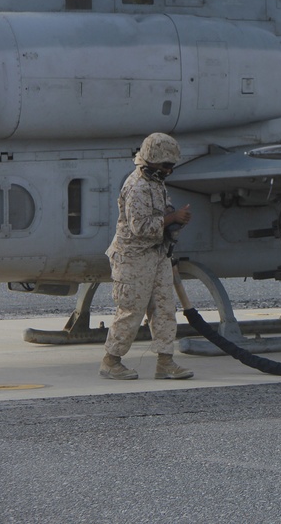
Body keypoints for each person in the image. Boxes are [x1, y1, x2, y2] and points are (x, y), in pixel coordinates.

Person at [99, 132, 193, 380]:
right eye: (165, 166)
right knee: (131, 310)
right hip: (133, 259)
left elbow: (163, 209)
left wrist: (174, 217)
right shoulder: (137, 186)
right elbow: (139, 227)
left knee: (164, 308)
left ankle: (165, 361)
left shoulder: (155, 183)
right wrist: (171, 219)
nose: (169, 171)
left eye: (171, 166)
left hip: (157, 255)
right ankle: (111, 361)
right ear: (151, 160)